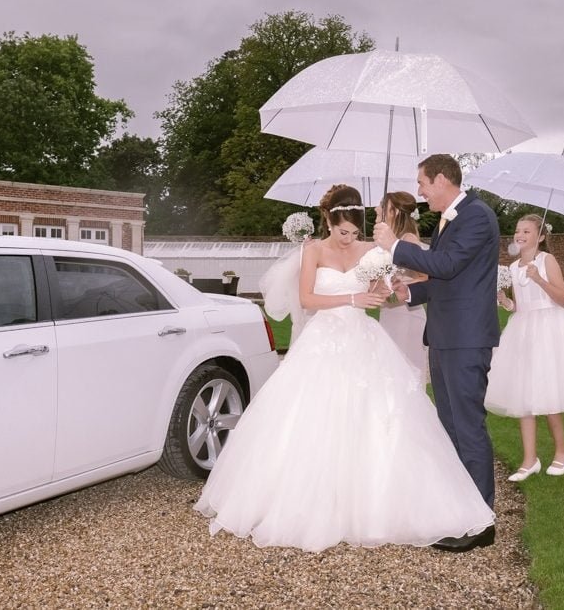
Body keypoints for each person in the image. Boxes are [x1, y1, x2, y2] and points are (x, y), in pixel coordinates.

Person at [196, 184, 495, 553]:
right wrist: (352, 297)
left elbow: (384, 294)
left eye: (354, 232)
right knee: (310, 419)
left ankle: (392, 505)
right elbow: (307, 298)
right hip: (322, 340)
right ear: (328, 221)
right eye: (342, 232)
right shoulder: (312, 250)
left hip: (362, 337)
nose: (348, 238)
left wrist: (389, 288)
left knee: (379, 418)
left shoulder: (373, 250)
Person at [373, 154, 501, 553]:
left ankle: (480, 521)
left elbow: (445, 264)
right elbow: (446, 280)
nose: (420, 191)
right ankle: (459, 509)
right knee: (449, 428)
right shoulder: (450, 220)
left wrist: (394, 246)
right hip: (444, 337)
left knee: (468, 427)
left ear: (443, 179)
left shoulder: (477, 216)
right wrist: (410, 291)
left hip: (465, 340)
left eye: (423, 183)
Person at [486, 214, 564, 481]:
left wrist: (539, 279)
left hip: (549, 330)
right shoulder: (514, 267)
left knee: (549, 392)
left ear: (540, 236)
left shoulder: (546, 261)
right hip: (523, 331)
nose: (519, 235)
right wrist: (505, 302)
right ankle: (530, 460)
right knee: (524, 395)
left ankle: (561, 452)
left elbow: (563, 299)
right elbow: (520, 306)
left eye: (526, 231)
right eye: (517, 231)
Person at [374, 191, 429, 382]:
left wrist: (400, 285)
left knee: (406, 375)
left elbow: (425, 277)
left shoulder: (408, 240)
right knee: (388, 374)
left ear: (394, 211)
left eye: (382, 204)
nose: (376, 208)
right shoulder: (385, 243)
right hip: (389, 312)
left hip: (407, 313)